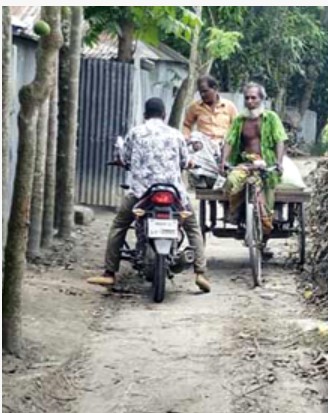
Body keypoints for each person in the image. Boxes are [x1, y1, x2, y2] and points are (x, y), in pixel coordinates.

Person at [87, 98, 211, 293]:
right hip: (173, 193)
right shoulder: (176, 135)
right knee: (192, 227)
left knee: (119, 225)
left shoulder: (135, 133)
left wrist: (123, 162)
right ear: (164, 115)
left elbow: (125, 158)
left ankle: (109, 273)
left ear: (145, 114)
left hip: (141, 193)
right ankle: (200, 273)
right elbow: (184, 161)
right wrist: (188, 163)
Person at [219, 82, 287, 250]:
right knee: (231, 182)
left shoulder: (271, 118)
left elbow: (280, 140)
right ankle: (236, 214)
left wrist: (279, 162)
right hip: (245, 163)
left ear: (261, 99)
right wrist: (223, 162)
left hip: (267, 167)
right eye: (247, 98)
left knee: (266, 208)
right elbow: (229, 140)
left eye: (253, 98)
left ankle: (263, 235)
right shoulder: (239, 120)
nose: (250, 101)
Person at [181, 75, 238, 145]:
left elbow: (237, 128)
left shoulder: (229, 106)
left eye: (205, 91)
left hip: (224, 144)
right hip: (203, 145)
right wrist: (187, 137)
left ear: (215, 88)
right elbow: (186, 125)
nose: (202, 95)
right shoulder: (195, 107)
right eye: (200, 92)